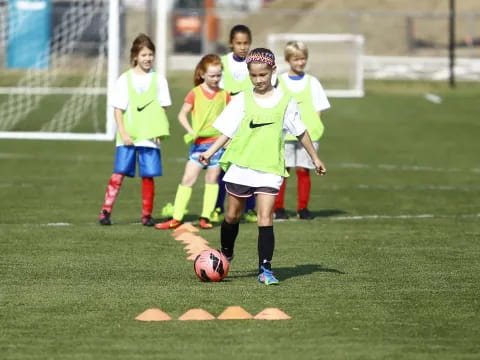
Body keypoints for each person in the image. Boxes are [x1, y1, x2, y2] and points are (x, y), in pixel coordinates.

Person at [199, 48, 326, 285]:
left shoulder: (285, 102)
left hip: (269, 168)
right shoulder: (242, 99)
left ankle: (265, 268)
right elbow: (227, 131)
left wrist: (314, 158)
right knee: (232, 215)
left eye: (263, 75)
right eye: (254, 76)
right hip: (241, 165)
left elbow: (301, 132)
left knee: (265, 217)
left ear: (273, 71)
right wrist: (209, 152)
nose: (258, 80)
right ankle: (226, 253)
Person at [98, 33, 171, 226]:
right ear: (135, 56)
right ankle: (105, 211)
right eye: (144, 54)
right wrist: (122, 132)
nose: (148, 58)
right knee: (119, 172)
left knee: (148, 175)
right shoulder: (125, 79)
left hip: (149, 135)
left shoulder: (159, 80)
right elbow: (118, 109)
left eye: (150, 54)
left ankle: (147, 214)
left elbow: (163, 108)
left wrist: (158, 130)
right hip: (128, 135)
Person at [155, 54, 230, 230]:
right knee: (188, 178)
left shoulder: (224, 95)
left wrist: (228, 139)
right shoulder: (195, 93)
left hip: (217, 145)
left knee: (212, 179)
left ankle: (206, 217)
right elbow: (182, 114)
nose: (216, 78)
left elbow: (232, 118)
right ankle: (177, 217)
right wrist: (190, 130)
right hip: (198, 145)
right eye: (212, 75)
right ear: (202, 74)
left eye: (219, 75)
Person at [274, 41, 331, 220]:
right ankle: (279, 208)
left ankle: (303, 208)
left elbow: (319, 107)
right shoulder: (279, 81)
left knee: (304, 170)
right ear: (287, 59)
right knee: (283, 170)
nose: (300, 62)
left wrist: (314, 126)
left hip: (308, 134)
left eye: (303, 59)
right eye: (296, 59)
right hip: (285, 134)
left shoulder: (312, 82)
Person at [211, 24, 257, 224]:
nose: (242, 47)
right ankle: (217, 207)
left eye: (246, 43)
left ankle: (250, 209)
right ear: (231, 43)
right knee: (222, 168)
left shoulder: (255, 65)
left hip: (249, 126)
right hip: (227, 126)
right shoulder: (221, 64)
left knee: (251, 168)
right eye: (238, 43)